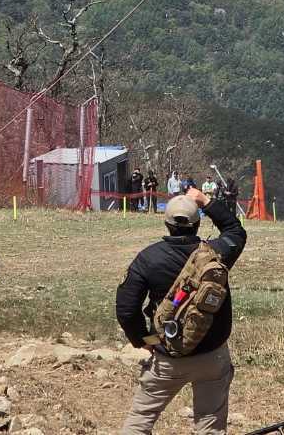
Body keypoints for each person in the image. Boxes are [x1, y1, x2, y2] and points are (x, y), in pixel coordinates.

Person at [116, 186, 247, 435]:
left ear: (167, 224)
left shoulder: (148, 259)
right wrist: (205, 200)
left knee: (141, 418)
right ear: (198, 224)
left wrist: (145, 341)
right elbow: (235, 231)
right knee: (210, 423)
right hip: (212, 355)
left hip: (166, 355)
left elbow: (126, 309)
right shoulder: (216, 254)